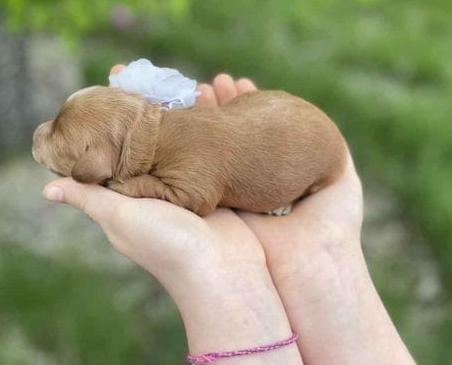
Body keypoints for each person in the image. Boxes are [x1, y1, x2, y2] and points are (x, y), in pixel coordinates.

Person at [42, 65, 416, 365]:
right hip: (277, 117)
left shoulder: (185, 163)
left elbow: (194, 198)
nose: (43, 134)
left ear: (96, 166)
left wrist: (132, 186)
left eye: (58, 141)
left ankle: (300, 184)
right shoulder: (172, 124)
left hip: (314, 156)